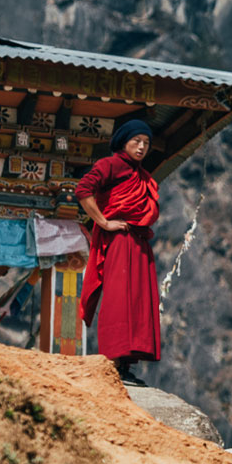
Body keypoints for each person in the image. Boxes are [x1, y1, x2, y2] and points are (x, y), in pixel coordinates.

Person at [76, 119, 161, 384]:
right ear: (123, 142)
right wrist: (102, 222)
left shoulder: (142, 175)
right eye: (136, 141)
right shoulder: (110, 165)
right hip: (119, 241)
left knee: (138, 301)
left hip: (138, 242)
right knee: (119, 298)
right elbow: (82, 190)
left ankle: (125, 364)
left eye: (146, 143)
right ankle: (112, 359)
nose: (141, 147)